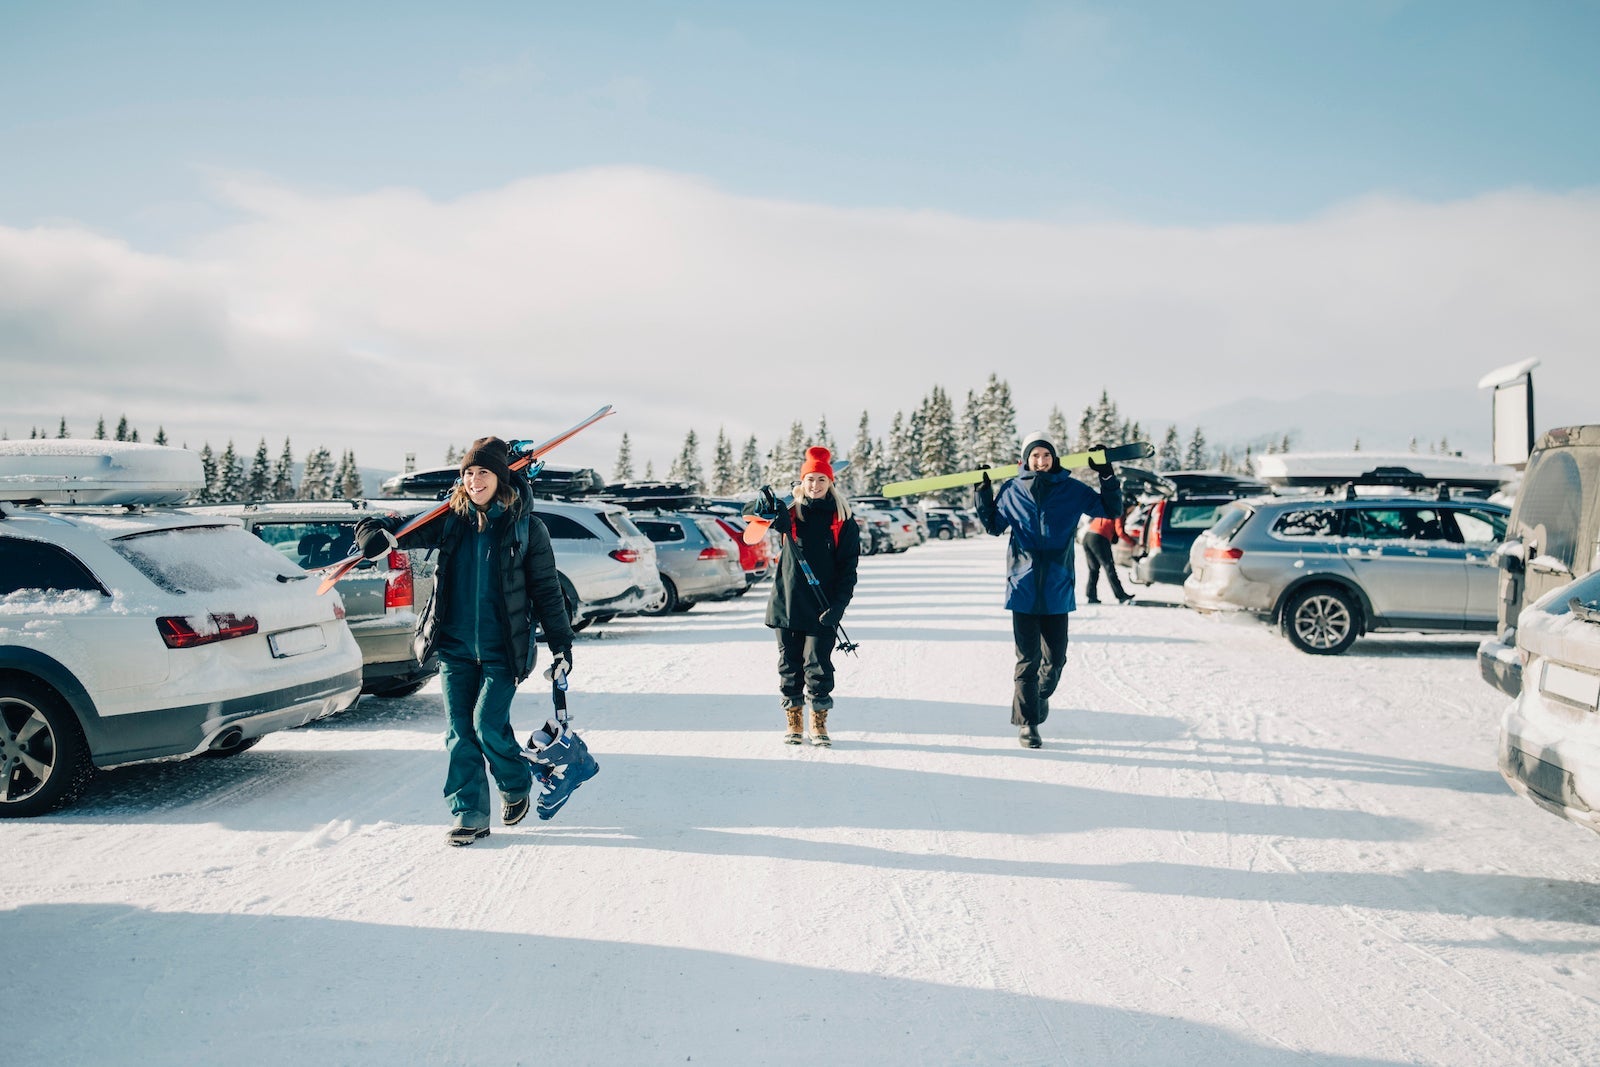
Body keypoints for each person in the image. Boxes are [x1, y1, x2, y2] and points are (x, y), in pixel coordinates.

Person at [354, 436, 587, 846]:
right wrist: (370, 534)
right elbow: (393, 527)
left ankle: (515, 783)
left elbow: (547, 591)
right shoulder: (450, 521)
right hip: (455, 648)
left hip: (505, 651)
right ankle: (470, 815)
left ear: (501, 477)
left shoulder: (528, 528)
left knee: (486, 725)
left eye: (483, 472)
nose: (474, 480)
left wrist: (561, 645)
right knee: (459, 732)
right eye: (468, 473)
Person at [976, 431, 1122, 748]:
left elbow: (1110, 510)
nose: (1041, 462)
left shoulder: (1071, 490)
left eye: (1046, 456)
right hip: (1022, 586)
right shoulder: (1012, 490)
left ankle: (1039, 696)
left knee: (1055, 661)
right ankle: (1028, 725)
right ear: (1025, 460)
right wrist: (983, 493)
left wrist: (1107, 475)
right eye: (1035, 456)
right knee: (1027, 661)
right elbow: (993, 526)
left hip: (1058, 586)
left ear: (1053, 458)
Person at [744, 445, 861, 747]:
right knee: (789, 664)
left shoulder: (842, 519)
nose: (816, 485)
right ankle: (794, 719)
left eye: (822, 479)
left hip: (823, 606)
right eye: (811, 479)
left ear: (831, 482)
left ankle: (818, 722)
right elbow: (749, 516)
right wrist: (761, 506)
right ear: (802, 481)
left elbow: (849, 569)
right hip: (788, 602)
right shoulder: (790, 513)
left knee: (819, 664)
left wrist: (839, 606)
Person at [1082, 501, 1137, 605]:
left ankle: (1091, 596)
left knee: (1093, 569)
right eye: (1133, 508)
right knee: (1109, 568)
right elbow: (1120, 531)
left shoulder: (1110, 508)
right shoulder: (1119, 511)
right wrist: (1133, 543)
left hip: (1088, 536)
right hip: (1099, 538)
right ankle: (1121, 597)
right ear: (1130, 506)